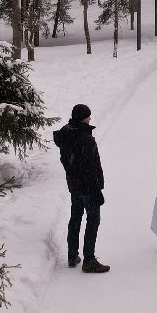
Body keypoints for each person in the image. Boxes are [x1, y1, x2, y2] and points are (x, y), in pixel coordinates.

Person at [53, 103, 109, 273]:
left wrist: (74, 177)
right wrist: (97, 190)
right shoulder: (85, 139)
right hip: (87, 187)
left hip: (74, 185)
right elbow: (90, 168)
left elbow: (67, 162)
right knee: (93, 220)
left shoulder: (66, 134)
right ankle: (89, 260)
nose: (90, 118)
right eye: (88, 116)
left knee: (76, 217)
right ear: (82, 118)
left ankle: (72, 255)